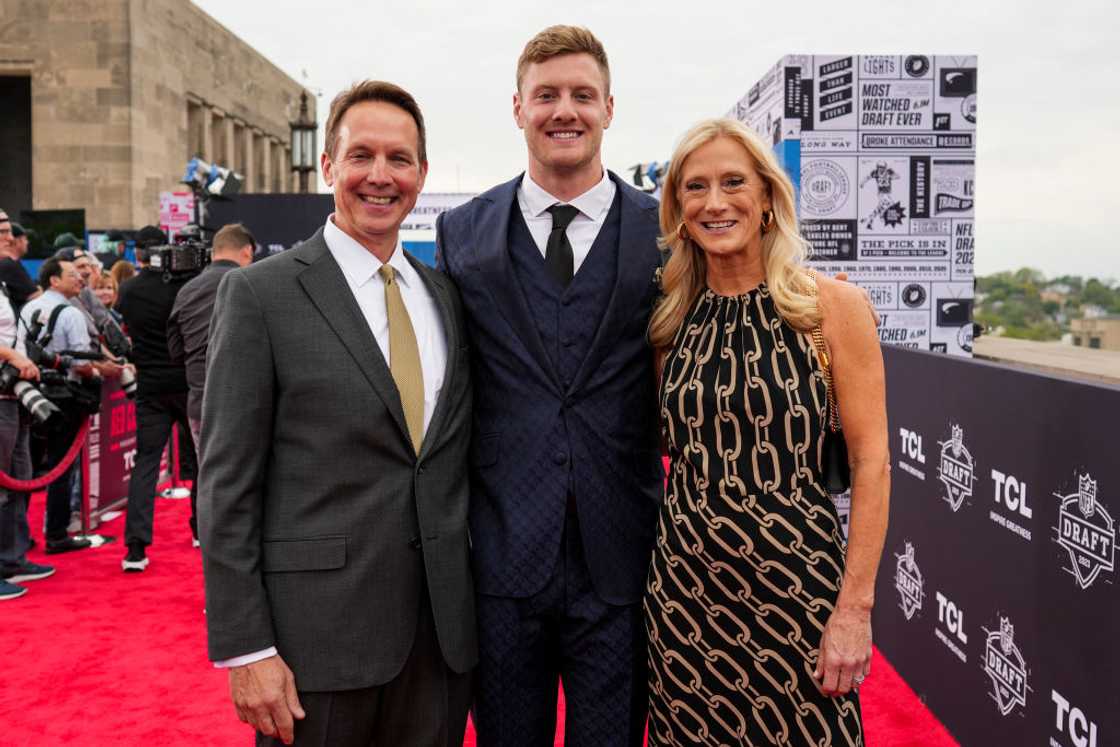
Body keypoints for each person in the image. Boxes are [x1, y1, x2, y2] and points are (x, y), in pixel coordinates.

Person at [200, 80, 475, 746]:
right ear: (328, 166)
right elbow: (226, 484)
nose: (380, 176)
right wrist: (246, 649)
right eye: (361, 156)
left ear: (422, 173)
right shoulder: (260, 294)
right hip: (312, 651)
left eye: (399, 159)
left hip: (439, 646)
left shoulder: (446, 296)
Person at [436, 26, 662, 745]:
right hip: (502, 554)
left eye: (582, 95)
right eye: (547, 95)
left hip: (621, 554)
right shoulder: (460, 231)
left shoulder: (667, 231)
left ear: (609, 108)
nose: (565, 110)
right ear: (517, 107)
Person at [643, 118, 890, 745]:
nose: (715, 202)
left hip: (798, 587)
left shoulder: (830, 308)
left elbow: (871, 463)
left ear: (767, 199)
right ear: (677, 210)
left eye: (733, 182)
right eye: (695, 187)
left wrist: (854, 610)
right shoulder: (669, 320)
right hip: (687, 593)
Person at [115, 231, 199, 571]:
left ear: (138, 253)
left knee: (147, 463)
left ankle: (136, 548)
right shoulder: (185, 286)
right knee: (201, 461)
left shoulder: (130, 289)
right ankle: (201, 530)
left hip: (150, 385)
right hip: (187, 383)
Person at [20, 258, 99, 554]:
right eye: (72, 274)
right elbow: (80, 363)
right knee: (61, 466)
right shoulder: (71, 314)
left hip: (31, 394)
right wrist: (99, 373)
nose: (80, 278)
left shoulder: (29, 308)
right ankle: (56, 533)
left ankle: (18, 537)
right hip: (65, 397)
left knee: (26, 468)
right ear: (54, 280)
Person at [166, 222, 255, 452]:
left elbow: (175, 352)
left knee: (209, 480)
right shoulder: (254, 285)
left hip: (201, 405)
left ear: (213, 253)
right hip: (246, 408)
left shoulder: (187, 291)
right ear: (247, 252)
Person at [0, 278, 50, 601]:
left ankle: (11, 559)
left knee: (19, 479)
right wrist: (15, 358)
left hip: (13, 395)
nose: (8, 238)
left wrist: (24, 359)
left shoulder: (4, 284)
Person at [0, 213, 40, 310]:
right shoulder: (8, 265)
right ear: (19, 241)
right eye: (2, 232)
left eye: (9, 232)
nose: (10, 238)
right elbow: (35, 296)